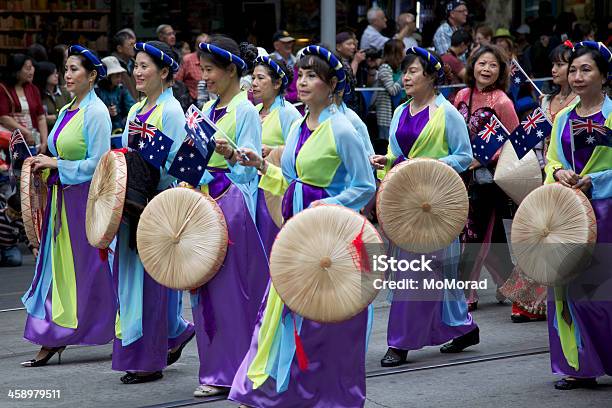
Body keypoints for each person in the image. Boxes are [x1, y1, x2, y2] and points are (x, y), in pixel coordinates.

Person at [229, 45, 376, 408]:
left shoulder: (342, 128)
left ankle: (329, 396)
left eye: (313, 76)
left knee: (324, 321)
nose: (304, 81)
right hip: (297, 233)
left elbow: (365, 185)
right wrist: (261, 167)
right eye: (301, 74)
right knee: (286, 312)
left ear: (332, 86)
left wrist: (330, 203)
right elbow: (292, 182)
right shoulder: (297, 124)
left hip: (331, 238)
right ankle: (287, 392)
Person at [370, 47, 477, 367]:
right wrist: (385, 161)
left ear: (431, 76)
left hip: (436, 204)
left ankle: (400, 342)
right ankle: (463, 328)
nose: (406, 77)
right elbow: (394, 154)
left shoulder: (448, 114)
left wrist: (427, 164)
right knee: (434, 274)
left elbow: (464, 156)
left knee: (416, 272)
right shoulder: (401, 111)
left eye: (413, 71)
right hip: (405, 203)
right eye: (404, 72)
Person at [20, 45, 115, 367]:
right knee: (55, 269)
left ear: (91, 76)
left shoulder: (97, 112)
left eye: (75, 69)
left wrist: (57, 164)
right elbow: (57, 154)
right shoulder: (65, 110)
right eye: (67, 68)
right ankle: (51, 335)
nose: (68, 75)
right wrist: (43, 165)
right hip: (62, 201)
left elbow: (101, 164)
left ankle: (121, 327)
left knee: (95, 270)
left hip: (87, 202)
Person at [112, 41, 195, 384]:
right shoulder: (135, 110)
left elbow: (176, 166)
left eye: (145, 66)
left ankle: (149, 360)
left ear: (164, 73)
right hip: (133, 206)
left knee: (152, 284)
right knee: (132, 281)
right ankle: (171, 334)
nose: (138, 72)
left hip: (158, 206)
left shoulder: (171, 111)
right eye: (136, 65)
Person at [191, 36, 269, 397]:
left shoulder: (246, 111)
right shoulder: (207, 110)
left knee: (229, 291)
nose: (204, 77)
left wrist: (229, 161)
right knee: (203, 288)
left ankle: (234, 368)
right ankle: (213, 367)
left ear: (231, 70)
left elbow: (250, 174)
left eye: (209, 70)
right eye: (202, 70)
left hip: (232, 209)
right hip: (205, 205)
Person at [544, 41, 612, 390]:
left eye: (586, 69)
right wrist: (558, 174)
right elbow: (553, 159)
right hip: (570, 215)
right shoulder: (564, 118)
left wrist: (595, 180)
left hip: (607, 213)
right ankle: (578, 364)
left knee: (601, 292)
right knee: (567, 291)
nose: (577, 75)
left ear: (604, 75)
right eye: (573, 70)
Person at [453, 44, 520, 311]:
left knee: (474, 234)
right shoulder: (461, 95)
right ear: (473, 66)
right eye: (482, 63)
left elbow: (517, 141)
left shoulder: (503, 102)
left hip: (486, 181)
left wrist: (484, 157)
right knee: (487, 238)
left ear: (501, 71)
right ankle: (511, 284)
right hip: (459, 177)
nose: (487, 69)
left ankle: (465, 292)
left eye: (493, 65)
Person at [0, 54, 48, 153]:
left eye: (32, 68)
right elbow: (3, 117)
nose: (32, 71)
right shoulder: (2, 88)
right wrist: (25, 132)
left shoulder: (33, 88)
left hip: (33, 139)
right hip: (11, 142)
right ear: (16, 70)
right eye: (28, 68)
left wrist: (44, 142)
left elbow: (41, 117)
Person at [96, 56, 136, 132]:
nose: (120, 78)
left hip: (120, 130)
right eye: (116, 75)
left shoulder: (121, 90)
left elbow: (133, 109)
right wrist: (106, 112)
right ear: (107, 76)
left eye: (120, 75)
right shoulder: (96, 92)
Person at [375, 39, 405, 141]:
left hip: (397, 113)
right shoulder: (385, 68)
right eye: (402, 50)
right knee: (387, 145)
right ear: (395, 52)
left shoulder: (398, 68)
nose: (405, 52)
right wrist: (403, 77)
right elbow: (392, 90)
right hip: (386, 117)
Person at [33, 61, 71, 130]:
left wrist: (54, 117)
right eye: (53, 73)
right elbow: (40, 119)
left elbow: (72, 113)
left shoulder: (64, 92)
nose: (56, 75)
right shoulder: (37, 94)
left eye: (56, 73)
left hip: (65, 130)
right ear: (44, 75)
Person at [0, 193, 33, 267]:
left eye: (17, 214)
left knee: (16, 260)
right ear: (7, 206)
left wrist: (33, 249)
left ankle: (3, 260)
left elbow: (26, 236)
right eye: (11, 212)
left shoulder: (20, 221)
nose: (13, 216)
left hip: (10, 247)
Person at [176, 33, 209, 104]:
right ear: (196, 47)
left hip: (210, 99)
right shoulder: (187, 60)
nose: (206, 50)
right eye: (202, 47)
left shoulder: (212, 60)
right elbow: (178, 82)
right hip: (191, 101)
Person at [111, 30, 138, 100]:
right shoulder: (111, 67)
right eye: (131, 45)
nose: (134, 47)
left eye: (134, 44)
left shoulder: (135, 64)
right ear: (120, 48)